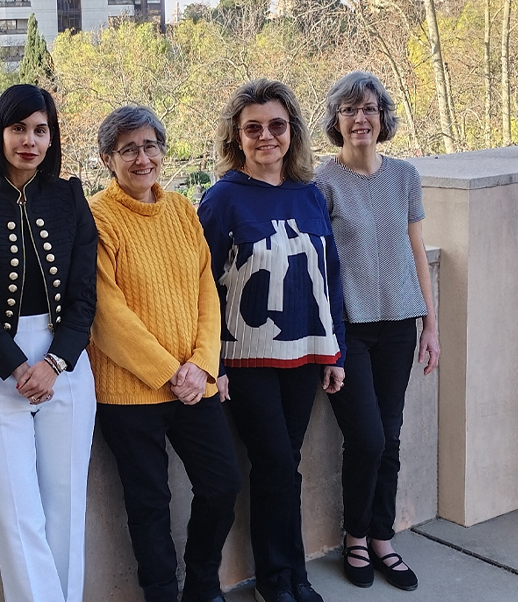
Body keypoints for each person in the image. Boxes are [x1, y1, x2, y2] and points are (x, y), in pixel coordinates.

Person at [0, 84, 98, 602]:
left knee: (66, 508)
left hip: (65, 362)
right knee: (19, 515)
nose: (29, 140)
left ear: (52, 137)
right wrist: (15, 366)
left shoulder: (70, 196)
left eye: (40, 130)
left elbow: (83, 297)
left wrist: (53, 363)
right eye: (18, 129)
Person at [198, 79, 347, 602]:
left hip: (305, 355)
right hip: (247, 360)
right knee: (276, 464)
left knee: (287, 464)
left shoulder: (309, 193)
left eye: (277, 126)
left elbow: (328, 278)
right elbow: (204, 290)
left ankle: (291, 575)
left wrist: (335, 352)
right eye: (253, 127)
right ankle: (276, 577)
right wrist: (213, 364)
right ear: (236, 137)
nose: (267, 136)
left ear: (293, 133)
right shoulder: (220, 200)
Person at [87, 105, 241, 602]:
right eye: (128, 148)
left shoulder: (180, 209)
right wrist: (171, 372)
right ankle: (160, 594)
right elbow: (106, 315)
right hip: (129, 394)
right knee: (148, 504)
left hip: (195, 385)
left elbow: (206, 294)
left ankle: (201, 584)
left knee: (222, 484)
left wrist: (201, 365)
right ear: (109, 159)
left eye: (150, 145)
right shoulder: (96, 217)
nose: (141, 157)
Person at [314, 71, 441, 592]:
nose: (360, 118)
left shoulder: (405, 176)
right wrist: (327, 344)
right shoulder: (323, 184)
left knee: (389, 436)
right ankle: (354, 537)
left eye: (368, 109)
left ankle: (382, 539)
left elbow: (416, 251)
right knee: (365, 437)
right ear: (336, 122)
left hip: (400, 324)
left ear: (382, 117)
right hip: (349, 329)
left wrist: (432, 325)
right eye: (349, 110)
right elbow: (318, 268)